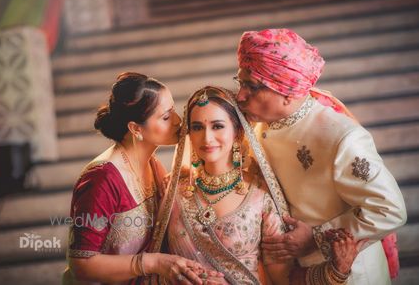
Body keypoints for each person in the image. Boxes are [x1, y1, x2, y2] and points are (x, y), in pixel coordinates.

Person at [235, 29, 407, 284]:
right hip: (296, 272)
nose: (240, 96)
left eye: (252, 86)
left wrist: (316, 238)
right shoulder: (260, 124)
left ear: (287, 91)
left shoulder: (341, 137)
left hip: (351, 272)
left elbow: (389, 209)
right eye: (240, 83)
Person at [150, 86, 363, 284]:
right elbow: (155, 261)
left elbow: (284, 278)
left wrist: (335, 271)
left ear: (238, 133)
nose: (207, 137)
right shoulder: (174, 189)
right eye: (197, 127)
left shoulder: (260, 196)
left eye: (217, 126)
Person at [62, 72, 222, 285]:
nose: (177, 121)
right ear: (136, 128)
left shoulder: (152, 165)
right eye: (165, 117)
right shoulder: (102, 179)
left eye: (173, 110)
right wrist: (152, 263)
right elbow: (82, 264)